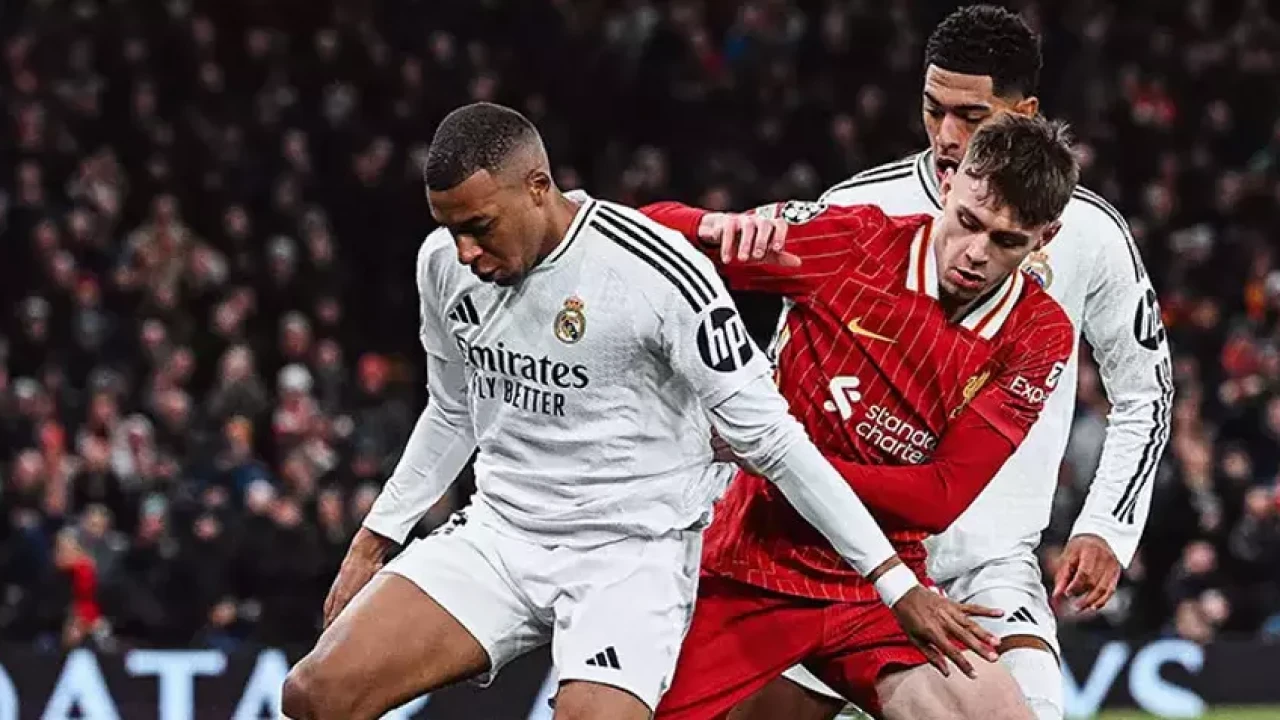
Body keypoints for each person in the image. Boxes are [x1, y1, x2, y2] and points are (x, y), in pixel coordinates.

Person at [279, 102, 993, 720]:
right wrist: (375, 538)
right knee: (314, 695)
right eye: (450, 228)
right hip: (502, 535)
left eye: (480, 226)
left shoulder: (655, 273)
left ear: (538, 188)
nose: (464, 251)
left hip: (630, 555)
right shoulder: (442, 264)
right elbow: (452, 409)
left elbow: (777, 444)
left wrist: (893, 584)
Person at [737, 6, 1173, 720]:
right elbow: (776, 376)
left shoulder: (1088, 232)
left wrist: (1107, 525)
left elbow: (1146, 391)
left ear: (1024, 112)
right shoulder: (857, 204)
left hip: (987, 563)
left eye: (970, 115)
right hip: (836, 556)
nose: (945, 134)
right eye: (933, 108)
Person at [639, 113, 1076, 720]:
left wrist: (776, 458)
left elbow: (938, 497)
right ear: (946, 183)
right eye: (969, 222)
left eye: (1007, 242)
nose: (976, 254)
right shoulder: (853, 242)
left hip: (883, 588)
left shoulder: (1038, 333)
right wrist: (707, 225)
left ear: (1046, 237)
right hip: (753, 563)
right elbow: (639, 240)